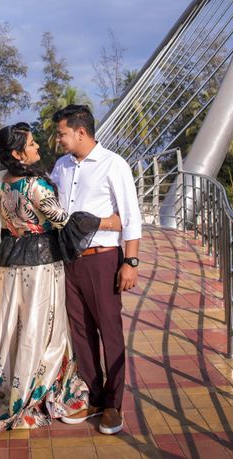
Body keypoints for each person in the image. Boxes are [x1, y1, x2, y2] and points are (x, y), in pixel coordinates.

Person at [0, 122, 123, 439]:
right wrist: (103, 221)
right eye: (32, 144)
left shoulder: (2, 183)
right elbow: (64, 221)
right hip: (41, 269)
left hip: (10, 268)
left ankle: (9, 383)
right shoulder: (36, 187)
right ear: (17, 153)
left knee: (15, 326)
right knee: (43, 328)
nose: (38, 147)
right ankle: (36, 388)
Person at [50, 104, 142, 435]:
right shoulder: (60, 166)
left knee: (109, 329)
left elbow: (130, 216)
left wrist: (130, 262)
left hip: (103, 259)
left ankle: (114, 405)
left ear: (81, 132)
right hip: (68, 260)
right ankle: (94, 396)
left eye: (61, 133)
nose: (58, 139)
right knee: (81, 331)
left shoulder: (113, 165)